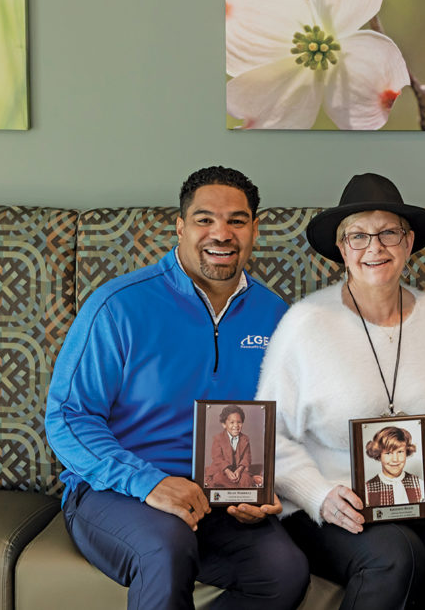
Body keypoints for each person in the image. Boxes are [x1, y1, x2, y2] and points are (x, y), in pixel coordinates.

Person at [45, 166, 309, 609]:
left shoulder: (275, 313)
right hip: (118, 491)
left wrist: (266, 490)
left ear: (255, 230)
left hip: (222, 500)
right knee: (166, 548)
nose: (221, 233)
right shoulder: (117, 306)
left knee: (283, 572)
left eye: (237, 221)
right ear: (180, 227)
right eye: (205, 219)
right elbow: (68, 418)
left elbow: (280, 423)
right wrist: (149, 483)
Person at [257, 172, 425, 610]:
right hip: (331, 500)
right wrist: (320, 497)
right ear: (341, 249)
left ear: (409, 243)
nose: (374, 248)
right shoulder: (305, 323)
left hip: (417, 494)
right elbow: (270, 437)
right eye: (358, 236)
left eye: (388, 233)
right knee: (395, 554)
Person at [364, 426, 424, 507]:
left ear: (406, 453)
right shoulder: (367, 490)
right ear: (379, 455)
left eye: (400, 452)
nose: (395, 459)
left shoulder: (420, 485)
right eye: (388, 453)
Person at [206, 405, 257, 489]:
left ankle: (237, 489)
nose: (236, 425)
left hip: (238, 470)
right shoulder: (218, 438)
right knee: (218, 478)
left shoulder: (245, 439)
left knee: (246, 479)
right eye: (232, 422)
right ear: (224, 424)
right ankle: (236, 489)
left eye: (239, 422)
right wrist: (227, 471)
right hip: (222, 470)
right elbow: (217, 458)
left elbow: (247, 458)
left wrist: (239, 470)